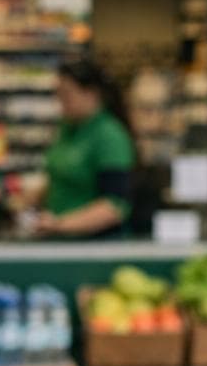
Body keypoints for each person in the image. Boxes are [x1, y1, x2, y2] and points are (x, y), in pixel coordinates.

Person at [33, 58, 134, 237]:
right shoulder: (67, 128)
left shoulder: (109, 135)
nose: (60, 102)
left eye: (67, 95)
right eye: (58, 95)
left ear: (91, 94)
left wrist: (60, 224)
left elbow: (113, 206)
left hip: (95, 246)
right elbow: (63, 175)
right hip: (61, 241)